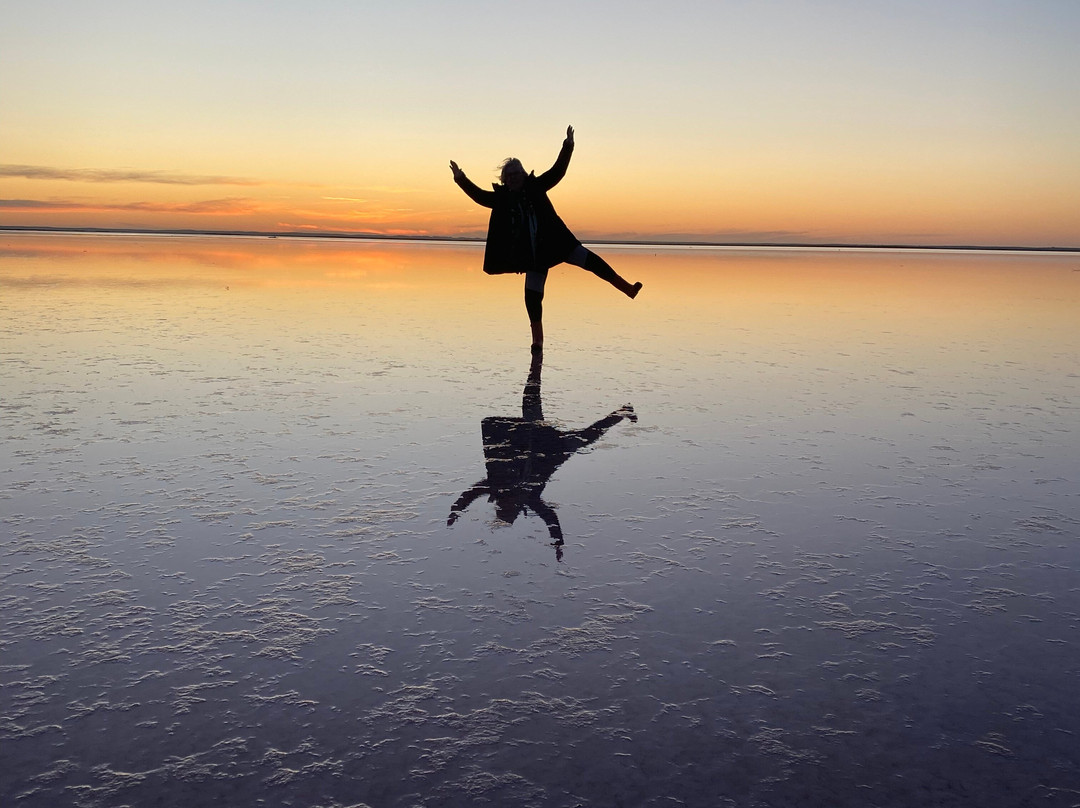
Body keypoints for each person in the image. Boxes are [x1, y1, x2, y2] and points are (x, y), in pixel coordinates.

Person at [449, 125, 642, 353]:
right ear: (505, 180)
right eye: (509, 176)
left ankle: (627, 288)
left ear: (523, 174)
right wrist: (460, 178)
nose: (513, 178)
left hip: (558, 243)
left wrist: (568, 145)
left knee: (593, 263)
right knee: (532, 297)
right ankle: (537, 341)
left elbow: (558, 171)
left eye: (517, 174)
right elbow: (480, 196)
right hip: (534, 255)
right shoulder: (503, 199)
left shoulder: (537, 186)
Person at [447, 350, 637, 561]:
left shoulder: (495, 486)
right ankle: (622, 412)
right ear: (517, 508)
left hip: (533, 437)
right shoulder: (530, 499)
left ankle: (535, 360)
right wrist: (558, 540)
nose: (505, 504)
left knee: (531, 399)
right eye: (509, 508)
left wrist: (457, 509)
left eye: (502, 506)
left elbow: (471, 493)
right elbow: (549, 517)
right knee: (588, 436)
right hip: (553, 450)